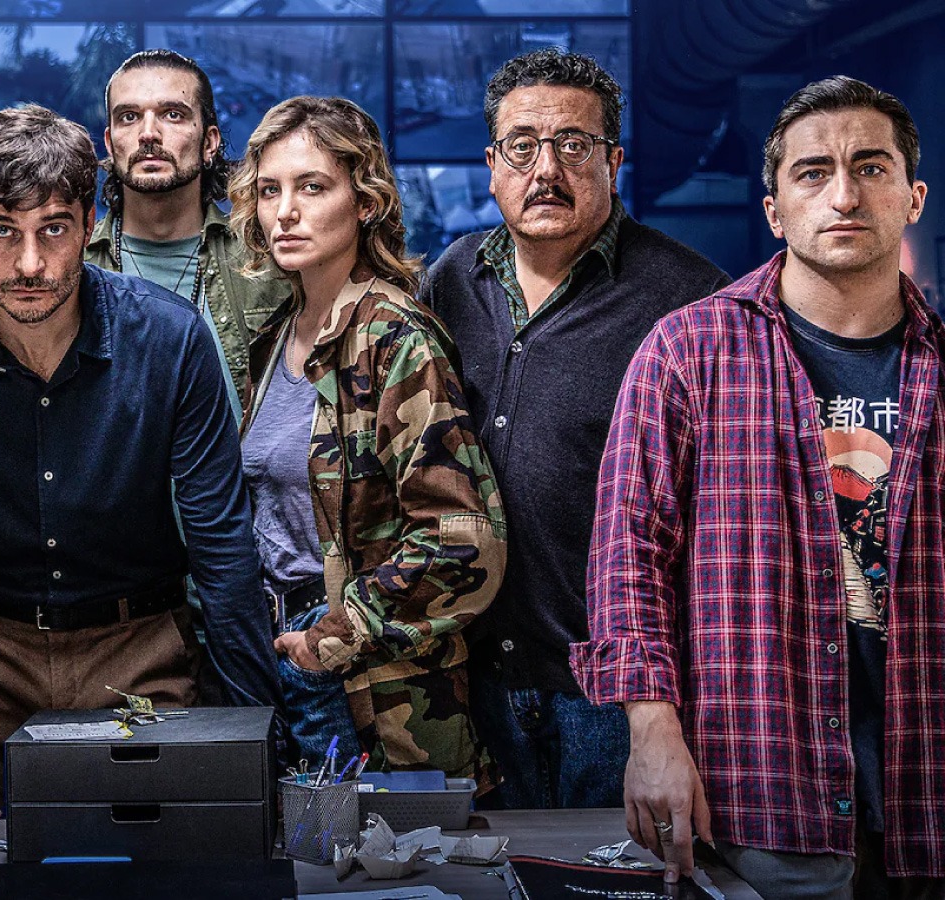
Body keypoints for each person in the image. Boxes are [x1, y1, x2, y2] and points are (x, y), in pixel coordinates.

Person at [573, 76, 945, 896]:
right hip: (764, 793)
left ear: (913, 198)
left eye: (871, 167)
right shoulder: (687, 352)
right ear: (774, 211)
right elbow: (628, 556)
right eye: (813, 172)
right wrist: (651, 732)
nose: (844, 195)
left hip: (927, 794)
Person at [0, 104, 282, 831]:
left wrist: (255, 740)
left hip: (141, 651)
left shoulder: (169, 339)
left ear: (90, 224)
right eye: (2, 230)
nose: (30, 264)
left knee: (164, 858)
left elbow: (222, 544)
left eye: (54, 229)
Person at [421, 48, 728, 810]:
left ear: (614, 162)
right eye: (522, 146)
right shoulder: (452, 280)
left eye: (573, 145)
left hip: (619, 702)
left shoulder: (691, 300)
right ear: (491, 166)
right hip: (475, 685)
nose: (546, 170)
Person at [231, 96, 506, 781]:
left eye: (312, 187)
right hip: (280, 661)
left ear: (366, 201)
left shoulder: (394, 338)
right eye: (269, 190)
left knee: (389, 851)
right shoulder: (273, 340)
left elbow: (462, 538)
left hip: (376, 684)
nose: (284, 212)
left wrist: (335, 634)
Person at [86, 49, 287, 412]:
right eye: (129, 117)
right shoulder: (76, 267)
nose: (148, 134)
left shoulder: (265, 261)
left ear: (209, 142)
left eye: (172, 114)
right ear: (111, 143)